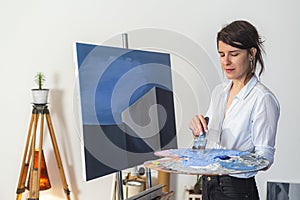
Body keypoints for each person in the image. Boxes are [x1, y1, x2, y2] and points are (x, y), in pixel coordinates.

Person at [189, 20, 280, 200]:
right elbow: (207, 142)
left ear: (251, 53)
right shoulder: (219, 92)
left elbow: (265, 158)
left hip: (236, 191)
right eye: (221, 54)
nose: (226, 61)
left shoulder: (262, 98)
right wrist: (198, 131)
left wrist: (230, 160)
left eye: (234, 54)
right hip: (209, 185)